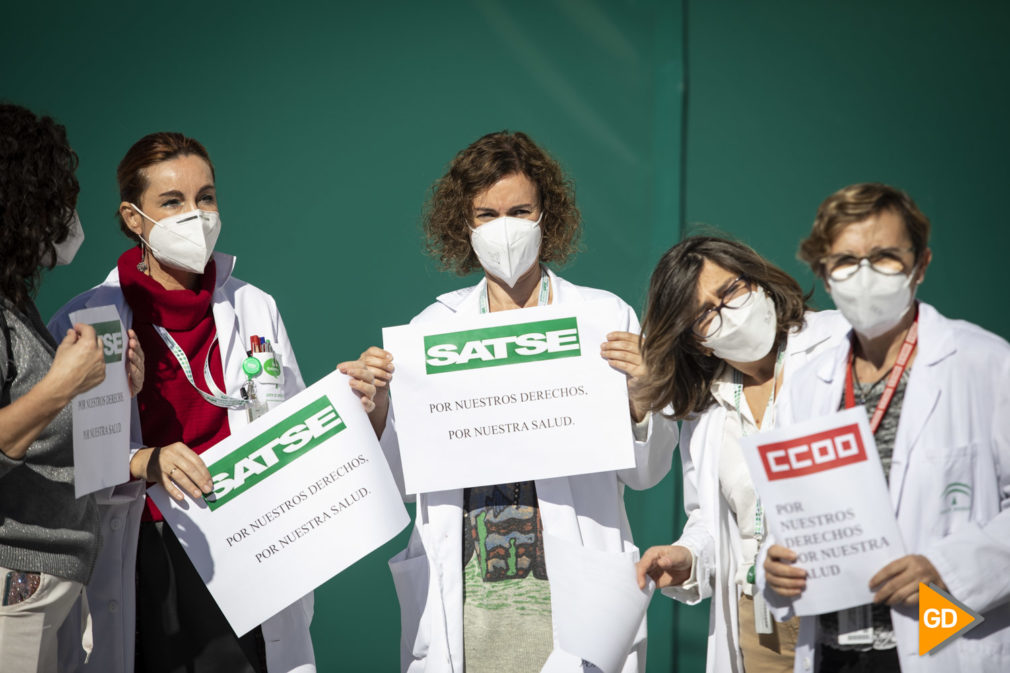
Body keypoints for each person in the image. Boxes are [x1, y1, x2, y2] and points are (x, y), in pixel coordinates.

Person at [49, 132, 377, 673]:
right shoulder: (90, 320)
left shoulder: (253, 305)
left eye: (205, 197)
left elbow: (286, 422)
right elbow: (60, 456)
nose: (195, 215)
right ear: (134, 219)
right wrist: (142, 460)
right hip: (148, 548)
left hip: (247, 536)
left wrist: (350, 404)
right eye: (172, 203)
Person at [358, 130, 678, 673]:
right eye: (485, 214)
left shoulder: (603, 319)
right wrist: (380, 410)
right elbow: (400, 480)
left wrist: (643, 396)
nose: (503, 228)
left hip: (574, 606)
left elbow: (646, 474)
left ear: (545, 216)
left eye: (519, 210)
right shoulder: (432, 331)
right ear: (465, 225)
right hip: (467, 608)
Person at [761, 183, 1010, 672]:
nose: (865, 275)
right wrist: (775, 567)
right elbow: (791, 514)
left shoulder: (984, 364)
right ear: (825, 276)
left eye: (885, 256)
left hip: (940, 641)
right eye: (846, 261)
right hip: (834, 652)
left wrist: (951, 568)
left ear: (921, 264)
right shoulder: (811, 384)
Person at [632, 236, 848, 673]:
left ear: (759, 281)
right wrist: (689, 557)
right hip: (762, 625)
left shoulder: (842, 344)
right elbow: (715, 521)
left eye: (730, 291)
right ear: (696, 343)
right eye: (703, 315)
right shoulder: (708, 408)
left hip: (852, 609)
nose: (726, 313)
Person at [0, 103, 144, 673]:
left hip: (52, 586)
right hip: (15, 588)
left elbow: (50, 445)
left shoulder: (19, 308)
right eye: (55, 195)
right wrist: (62, 384)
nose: (68, 216)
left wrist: (111, 393)